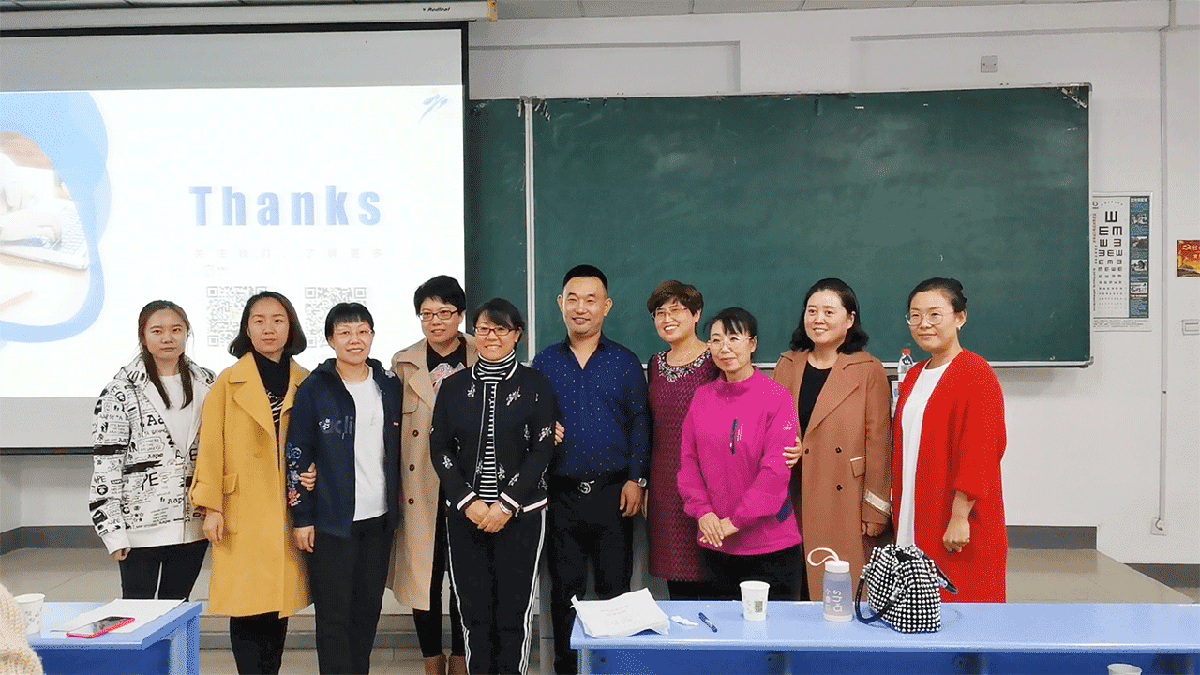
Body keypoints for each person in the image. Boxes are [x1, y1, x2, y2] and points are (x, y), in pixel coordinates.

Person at [531, 264, 650, 675]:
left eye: (590, 299)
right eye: (573, 299)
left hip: (613, 492)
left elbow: (640, 421)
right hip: (559, 494)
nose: (581, 308)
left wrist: (637, 478)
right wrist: (542, 432)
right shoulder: (544, 362)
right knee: (564, 592)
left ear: (606, 306)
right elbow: (528, 423)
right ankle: (567, 668)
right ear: (560, 303)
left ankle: (612, 669)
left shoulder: (625, 362)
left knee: (615, 590)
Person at [430, 298, 557, 675]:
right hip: (465, 516)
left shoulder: (536, 384)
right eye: (484, 329)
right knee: (473, 613)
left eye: (501, 329)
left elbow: (542, 448)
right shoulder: (453, 387)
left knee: (513, 614)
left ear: (517, 335)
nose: (491, 336)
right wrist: (467, 500)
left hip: (521, 516)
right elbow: (439, 447)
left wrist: (506, 504)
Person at [191, 291, 310, 675]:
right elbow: (211, 446)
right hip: (240, 506)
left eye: (277, 319)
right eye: (258, 321)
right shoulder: (228, 381)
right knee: (246, 605)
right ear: (247, 328)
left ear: (290, 326)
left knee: (277, 604)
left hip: (287, 508)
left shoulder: (306, 380)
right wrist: (211, 506)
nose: (268, 328)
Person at [287, 303, 401, 675]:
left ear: (372, 335)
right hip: (331, 521)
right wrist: (302, 516)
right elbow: (297, 452)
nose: (355, 340)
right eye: (345, 332)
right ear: (330, 339)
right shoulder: (314, 388)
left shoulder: (388, 384)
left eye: (362, 331)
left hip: (378, 519)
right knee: (333, 617)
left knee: (367, 612)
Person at [89, 300, 215, 600]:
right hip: (139, 529)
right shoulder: (120, 391)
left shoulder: (208, 383)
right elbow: (107, 465)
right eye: (157, 331)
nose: (167, 338)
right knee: (139, 613)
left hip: (192, 526)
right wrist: (112, 531)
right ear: (143, 337)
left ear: (187, 333)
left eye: (176, 330)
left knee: (177, 608)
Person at [774, 279, 891, 598]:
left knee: (840, 592)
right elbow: (772, 426)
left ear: (850, 319)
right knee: (796, 590)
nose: (818, 319)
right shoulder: (788, 364)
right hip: (793, 492)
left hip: (845, 498)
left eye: (828, 312)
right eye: (811, 311)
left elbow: (879, 443)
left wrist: (876, 509)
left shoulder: (868, 369)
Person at [892, 277, 1007, 602]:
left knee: (960, 606)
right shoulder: (915, 374)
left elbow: (981, 451)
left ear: (960, 317)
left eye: (934, 314)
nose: (923, 324)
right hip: (916, 508)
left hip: (956, 516)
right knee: (918, 604)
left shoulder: (975, 373)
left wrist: (959, 517)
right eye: (915, 315)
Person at [677, 307, 802, 601]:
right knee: (720, 629)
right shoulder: (702, 398)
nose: (725, 348)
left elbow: (775, 470)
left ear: (752, 343)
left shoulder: (776, 396)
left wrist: (734, 522)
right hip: (716, 544)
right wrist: (703, 512)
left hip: (770, 546)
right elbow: (688, 463)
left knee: (772, 630)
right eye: (716, 340)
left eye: (734, 338)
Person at [390, 276, 474, 675]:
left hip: (470, 485)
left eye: (444, 312)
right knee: (424, 578)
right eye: (426, 314)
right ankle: (431, 662)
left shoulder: (483, 353)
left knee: (464, 579)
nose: (435, 321)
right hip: (419, 486)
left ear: (460, 315)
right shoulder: (402, 362)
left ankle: (460, 659)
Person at [644, 280, 719, 600]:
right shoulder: (655, 364)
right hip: (664, 483)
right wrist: (645, 483)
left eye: (676, 310)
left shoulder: (717, 358)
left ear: (697, 313)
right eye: (660, 313)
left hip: (708, 482)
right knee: (677, 581)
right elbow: (649, 426)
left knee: (712, 574)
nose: (667, 319)